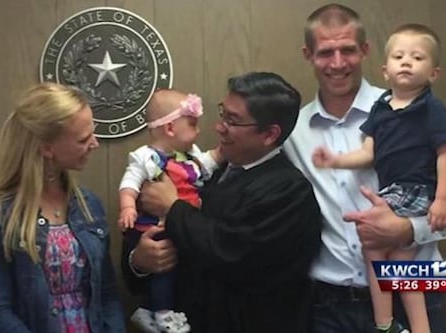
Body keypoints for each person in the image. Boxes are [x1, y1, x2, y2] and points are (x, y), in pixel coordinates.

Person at [282, 4, 446, 333]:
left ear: (366, 50)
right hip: (330, 308)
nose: (338, 63)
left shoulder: (412, 111)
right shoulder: (293, 132)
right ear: (308, 54)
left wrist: (408, 230)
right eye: (326, 52)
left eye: (348, 50)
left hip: (414, 297)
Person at [122, 71, 323, 333]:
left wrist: (173, 209)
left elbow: (230, 252)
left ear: (269, 134)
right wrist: (139, 261)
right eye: (222, 114)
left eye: (233, 120)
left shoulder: (288, 192)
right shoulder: (206, 172)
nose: (219, 127)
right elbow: (142, 235)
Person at [0, 83, 125, 332]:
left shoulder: (89, 206)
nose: (95, 144)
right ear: (46, 148)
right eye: (83, 139)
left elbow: (107, 294)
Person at [118, 89, 221, 333]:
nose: (199, 131)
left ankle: (155, 310)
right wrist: (127, 207)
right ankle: (160, 312)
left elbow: (209, 161)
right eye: (193, 124)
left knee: (173, 269)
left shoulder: (191, 156)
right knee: (162, 269)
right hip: (154, 227)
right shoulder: (146, 157)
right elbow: (129, 183)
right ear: (171, 128)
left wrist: (222, 153)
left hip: (182, 228)